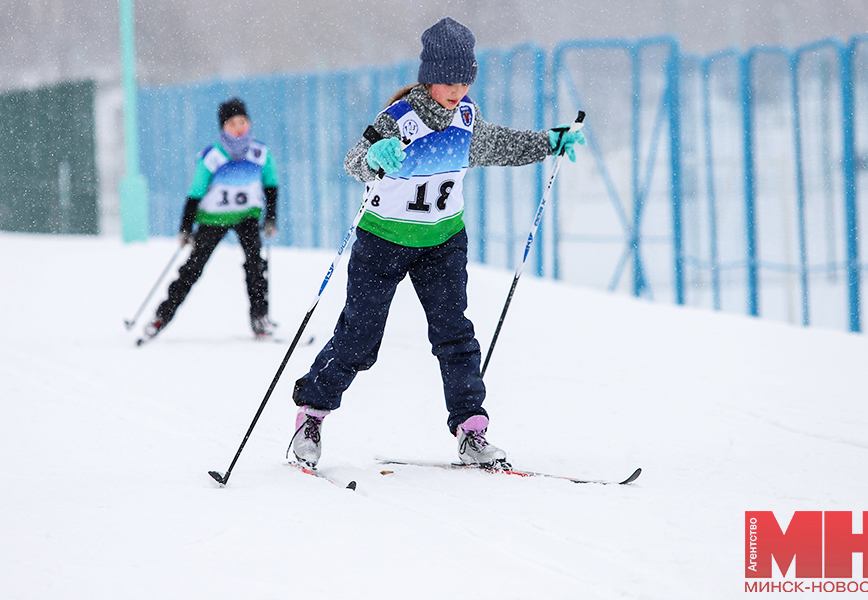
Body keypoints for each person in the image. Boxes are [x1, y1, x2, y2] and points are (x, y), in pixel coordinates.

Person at [289, 17, 585, 468]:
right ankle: (311, 414)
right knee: (359, 337)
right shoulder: (398, 119)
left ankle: (471, 430)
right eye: (448, 79)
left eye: (465, 79)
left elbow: (500, 145)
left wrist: (548, 142)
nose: (457, 89)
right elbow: (353, 162)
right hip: (383, 241)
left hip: (443, 242)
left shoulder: (468, 118)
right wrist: (373, 157)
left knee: (455, 335)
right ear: (428, 75)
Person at [143, 98, 279, 341]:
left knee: (256, 265)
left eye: (243, 122)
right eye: (232, 123)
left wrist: (271, 218)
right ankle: (161, 316)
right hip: (212, 219)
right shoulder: (213, 156)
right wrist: (185, 228)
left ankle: (260, 317)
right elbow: (194, 194)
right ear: (223, 127)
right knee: (193, 268)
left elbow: (271, 185)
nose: (238, 128)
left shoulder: (260, 153)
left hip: (247, 217)